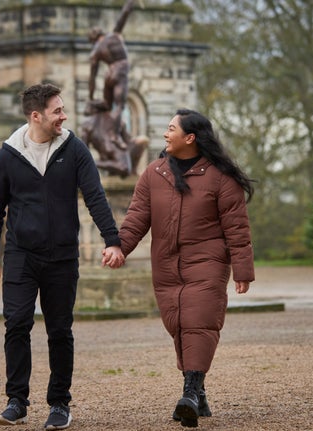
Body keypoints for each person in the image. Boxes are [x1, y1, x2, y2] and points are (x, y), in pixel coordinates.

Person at [0, 83, 125, 429]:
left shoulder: (74, 150)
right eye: (57, 110)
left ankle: (59, 404)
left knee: (60, 330)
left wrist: (113, 240)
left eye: (62, 109)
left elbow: (95, 197)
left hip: (62, 256)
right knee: (16, 323)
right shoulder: (8, 154)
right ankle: (16, 401)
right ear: (36, 116)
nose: (64, 115)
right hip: (19, 254)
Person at [102, 109, 255, 428]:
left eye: (171, 129)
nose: (164, 134)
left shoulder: (221, 177)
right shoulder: (153, 174)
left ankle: (188, 392)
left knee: (199, 322)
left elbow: (237, 228)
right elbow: (136, 219)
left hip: (208, 262)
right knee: (179, 324)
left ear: (190, 138)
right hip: (166, 266)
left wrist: (242, 269)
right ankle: (198, 391)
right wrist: (119, 247)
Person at [88, 0, 137, 143]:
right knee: (119, 106)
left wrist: (91, 96)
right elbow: (124, 13)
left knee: (107, 105)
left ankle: (93, 107)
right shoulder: (114, 35)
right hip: (120, 69)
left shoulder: (95, 53)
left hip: (109, 74)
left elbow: (92, 78)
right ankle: (113, 135)